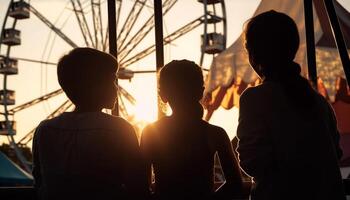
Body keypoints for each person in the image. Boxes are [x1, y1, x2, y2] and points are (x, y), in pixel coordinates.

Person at [237, 10, 346, 200]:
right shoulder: (319, 101)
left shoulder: (254, 99)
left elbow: (252, 161)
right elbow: (335, 153)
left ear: (254, 54)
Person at [32, 48, 148, 200]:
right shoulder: (119, 129)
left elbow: (39, 182)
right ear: (97, 85)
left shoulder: (45, 130)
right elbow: (138, 185)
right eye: (112, 80)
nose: (117, 87)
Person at [141, 60, 244, 200]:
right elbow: (236, 185)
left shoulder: (150, 132)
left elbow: (140, 186)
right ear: (200, 91)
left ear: (163, 95)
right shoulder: (215, 134)